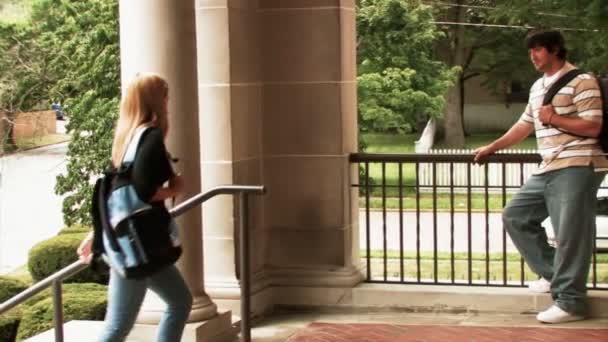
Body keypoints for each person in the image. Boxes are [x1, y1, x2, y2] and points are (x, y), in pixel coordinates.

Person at [474, 29, 607, 324]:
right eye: (531, 50)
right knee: (515, 216)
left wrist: (554, 118)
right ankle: (555, 275)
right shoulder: (537, 87)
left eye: (538, 49)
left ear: (556, 49)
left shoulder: (583, 81)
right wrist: (492, 147)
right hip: (549, 166)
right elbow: (525, 125)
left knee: (570, 235)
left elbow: (593, 127)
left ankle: (571, 303)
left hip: (579, 164)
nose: (533, 56)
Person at [77, 73, 192, 341]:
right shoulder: (150, 137)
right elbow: (143, 192)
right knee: (117, 327)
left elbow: (115, 196)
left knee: (180, 301)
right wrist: (176, 188)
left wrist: (98, 235)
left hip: (137, 244)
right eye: (166, 96)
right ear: (158, 100)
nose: (168, 102)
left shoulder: (127, 138)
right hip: (139, 247)